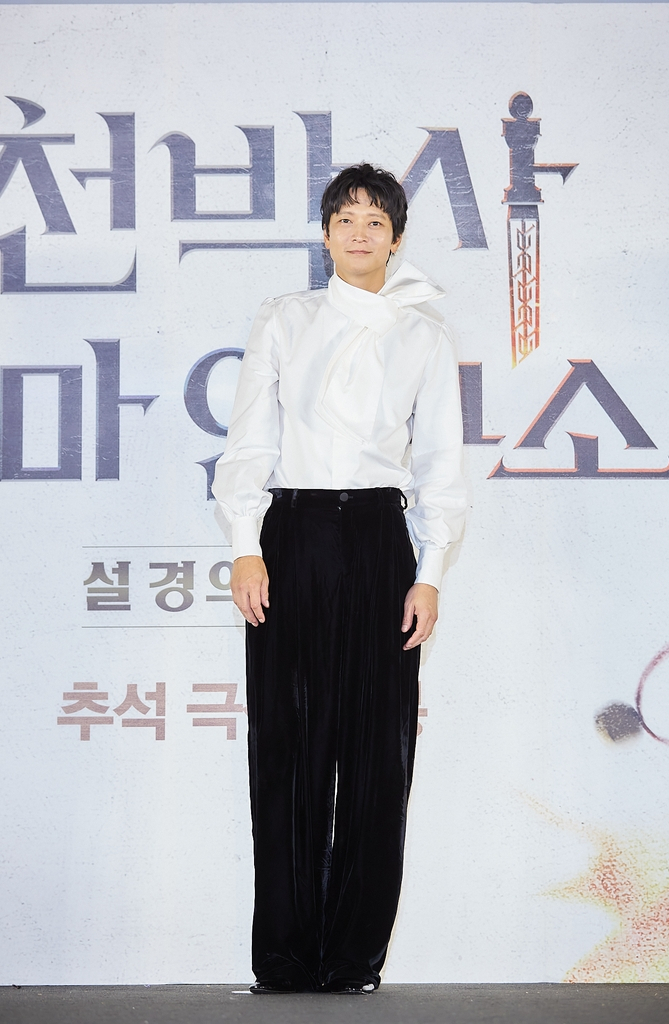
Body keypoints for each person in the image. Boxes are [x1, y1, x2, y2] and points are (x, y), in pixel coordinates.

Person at [212, 163, 467, 994]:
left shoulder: (424, 334)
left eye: (375, 221)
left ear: (396, 237)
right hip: (292, 533)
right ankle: (284, 957)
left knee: (376, 752)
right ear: (324, 234)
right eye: (344, 219)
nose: (359, 233)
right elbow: (249, 438)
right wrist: (246, 543)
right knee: (286, 746)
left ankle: (354, 958)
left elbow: (438, 467)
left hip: (378, 539)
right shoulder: (285, 319)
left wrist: (430, 573)